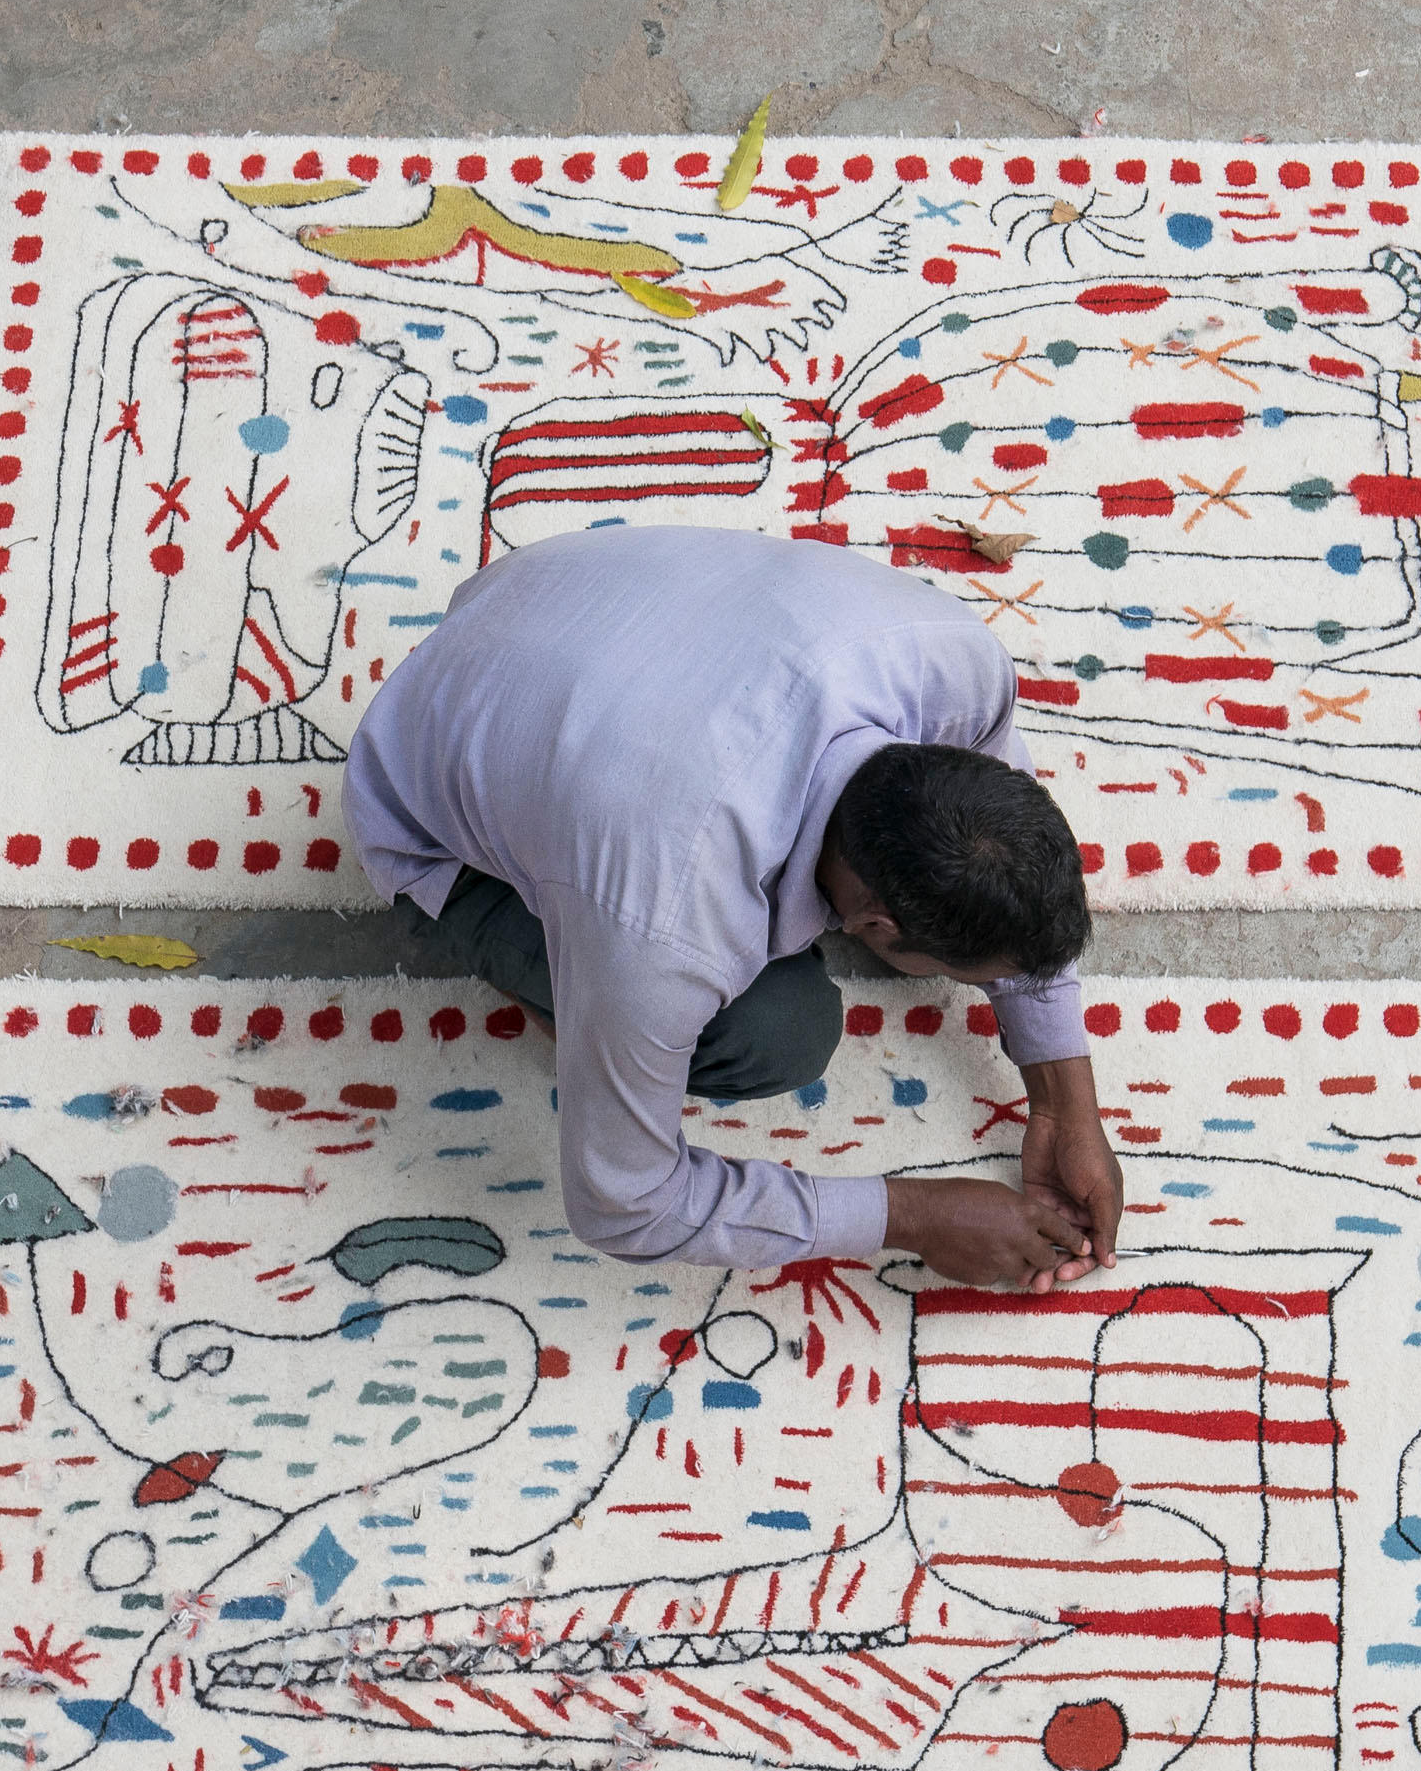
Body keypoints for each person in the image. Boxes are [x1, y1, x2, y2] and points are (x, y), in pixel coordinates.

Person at [345, 524, 1121, 1292]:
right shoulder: (662, 921)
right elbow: (626, 1207)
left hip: (551, 590)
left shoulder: (956, 664)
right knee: (779, 1033)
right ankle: (567, 990)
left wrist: (1066, 1104)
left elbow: (1004, 863)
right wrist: (916, 1217)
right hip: (420, 793)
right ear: (872, 924)